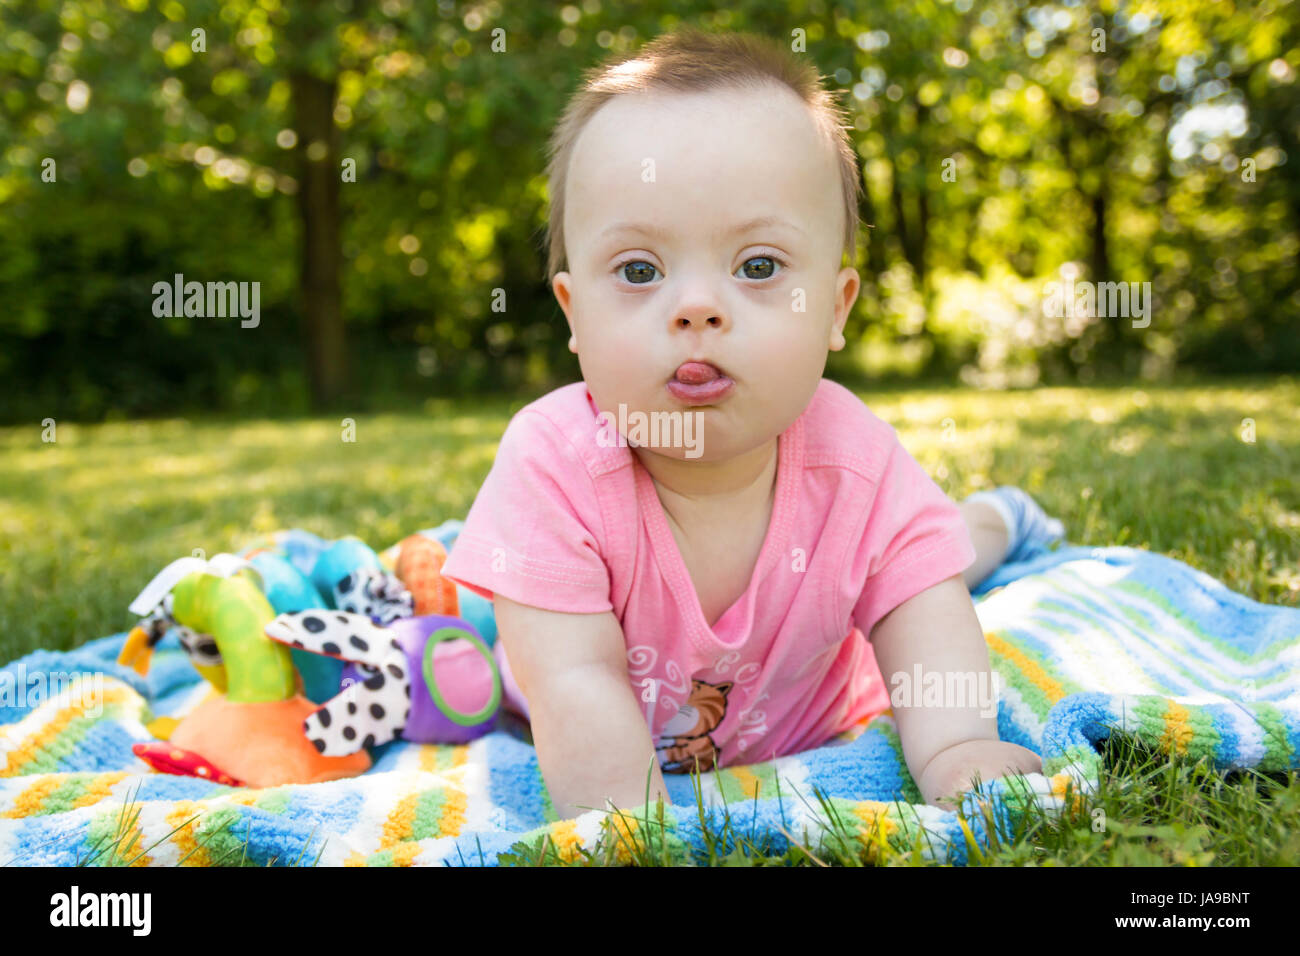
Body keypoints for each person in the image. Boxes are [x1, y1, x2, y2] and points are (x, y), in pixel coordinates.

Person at [441, 27, 1063, 821]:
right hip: (585, 693)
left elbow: (920, 609)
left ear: (835, 308)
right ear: (575, 312)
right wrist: (626, 824)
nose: (697, 308)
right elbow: (576, 682)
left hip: (818, 703)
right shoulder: (554, 463)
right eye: (639, 271)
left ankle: (998, 518)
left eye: (758, 267)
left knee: (946, 563)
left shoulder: (852, 458)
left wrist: (956, 745)